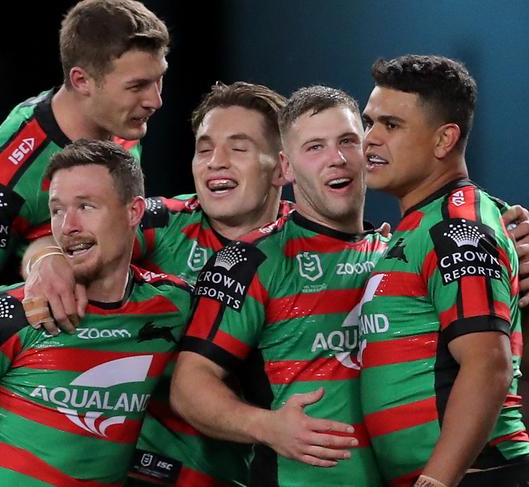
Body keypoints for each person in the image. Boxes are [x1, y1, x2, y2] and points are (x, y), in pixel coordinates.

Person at [0, 140, 192, 486]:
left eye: (86, 206)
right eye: (57, 210)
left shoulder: (172, 306)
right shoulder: (7, 313)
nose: (67, 226)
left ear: (134, 212)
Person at [28, 81, 292, 486]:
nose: (215, 162)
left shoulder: (311, 248)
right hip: (139, 468)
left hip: (246, 471)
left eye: (237, 148)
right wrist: (45, 261)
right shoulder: (163, 222)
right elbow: (74, 235)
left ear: (281, 167)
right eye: (204, 149)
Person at [170, 85, 387, 486]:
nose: (336, 159)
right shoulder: (250, 261)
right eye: (315, 147)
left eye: (347, 142)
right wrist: (268, 426)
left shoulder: (397, 253)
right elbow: (188, 386)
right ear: (286, 168)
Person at [0, 0, 169, 345]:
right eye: (138, 86)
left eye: (159, 80)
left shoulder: (119, 121)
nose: (155, 101)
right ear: (82, 80)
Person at [359, 54, 529, 486]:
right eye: (369, 122)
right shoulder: (425, 223)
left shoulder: (456, 229)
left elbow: (488, 363)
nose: (370, 139)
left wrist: (436, 480)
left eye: (391, 126)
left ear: (443, 140)